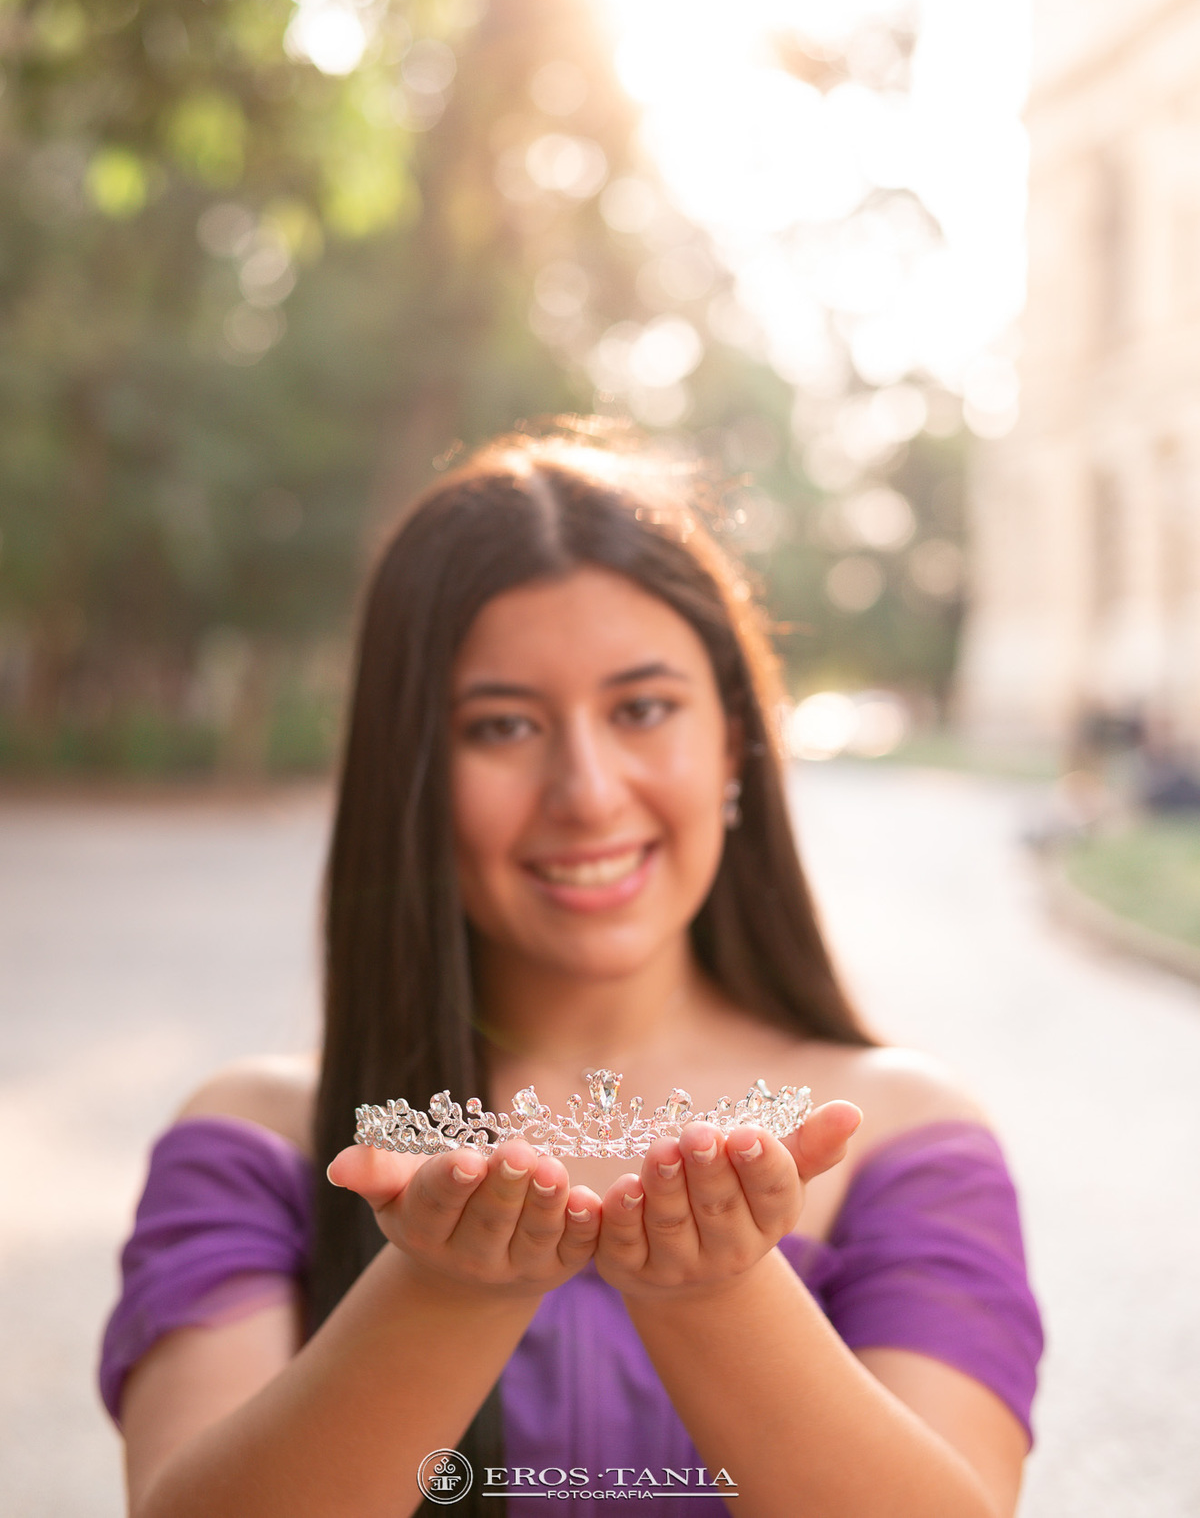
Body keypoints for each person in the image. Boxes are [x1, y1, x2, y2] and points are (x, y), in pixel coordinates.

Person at [99, 427, 1043, 1518]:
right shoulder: (265, 1140)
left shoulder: (897, 1132)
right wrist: (447, 1291)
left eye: (643, 709)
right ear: (408, 774)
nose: (587, 791)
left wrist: (717, 1291)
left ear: (734, 739)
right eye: (502, 726)